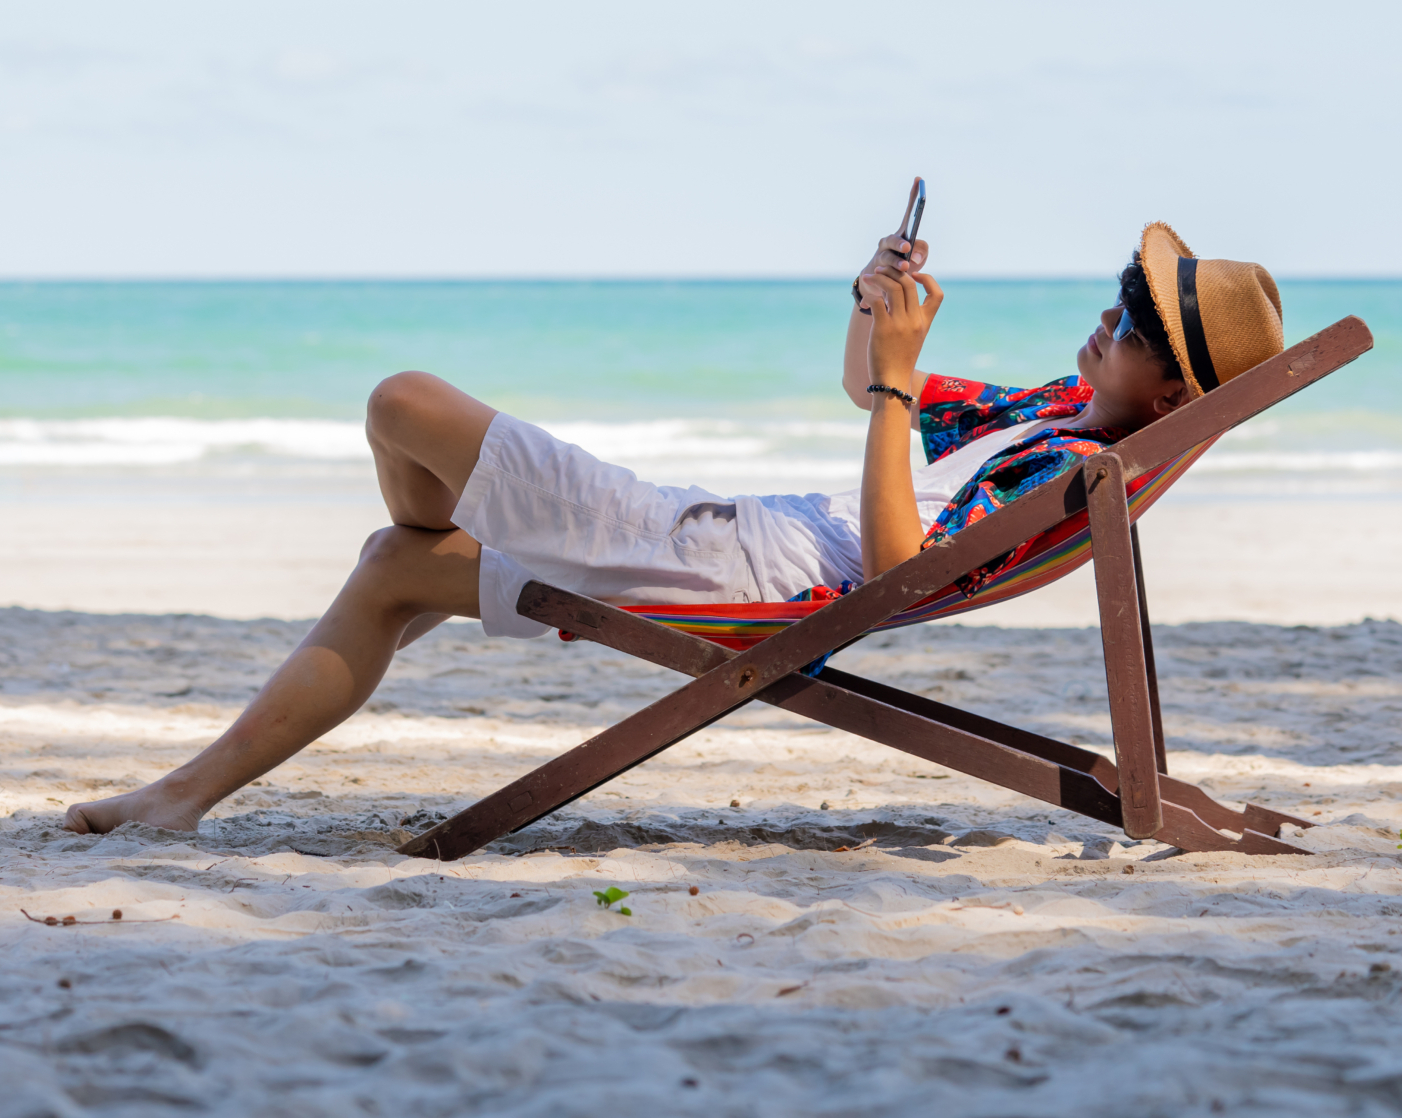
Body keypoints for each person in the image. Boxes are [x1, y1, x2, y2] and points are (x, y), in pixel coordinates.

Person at [64, 221, 1285, 835]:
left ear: (1174, 394)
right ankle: (183, 795)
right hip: (733, 536)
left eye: (1129, 322)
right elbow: (872, 391)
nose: (1103, 318)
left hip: (726, 570)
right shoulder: (1064, 408)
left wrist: (904, 385)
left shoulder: (1072, 469)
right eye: (1122, 297)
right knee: (395, 562)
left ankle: (447, 592)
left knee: (401, 407)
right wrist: (879, 314)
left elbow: (904, 572)